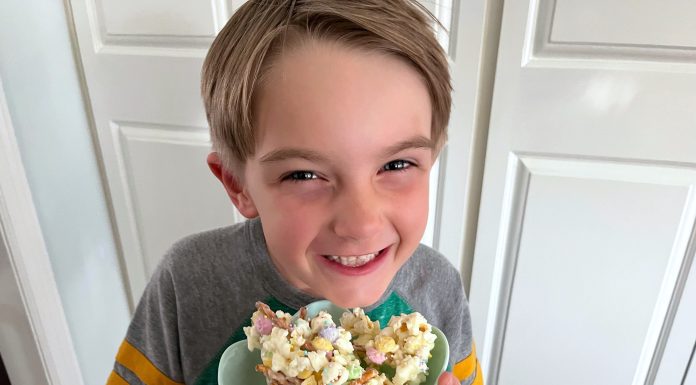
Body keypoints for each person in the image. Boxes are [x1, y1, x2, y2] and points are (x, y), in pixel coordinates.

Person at [107, 1, 482, 384]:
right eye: (304, 175)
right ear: (238, 184)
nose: (361, 223)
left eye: (397, 165)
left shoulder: (439, 288)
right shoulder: (187, 283)